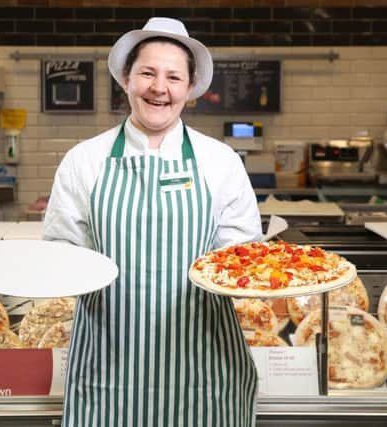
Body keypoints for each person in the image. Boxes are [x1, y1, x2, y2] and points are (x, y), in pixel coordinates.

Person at [43, 17, 262, 427]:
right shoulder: (85, 159)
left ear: (189, 89)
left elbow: (242, 260)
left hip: (203, 361)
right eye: (147, 72)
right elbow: (62, 252)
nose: (159, 87)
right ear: (126, 79)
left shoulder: (220, 162)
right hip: (109, 361)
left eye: (173, 77)